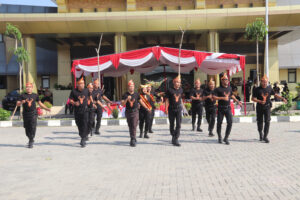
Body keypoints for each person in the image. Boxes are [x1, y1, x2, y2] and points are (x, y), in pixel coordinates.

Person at [252, 75, 287, 143]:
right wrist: (260, 101)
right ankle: (260, 133)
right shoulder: (257, 89)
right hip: (259, 107)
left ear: (267, 82)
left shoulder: (269, 88)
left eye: (266, 82)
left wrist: (282, 98)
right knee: (260, 121)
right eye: (263, 82)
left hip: (267, 107)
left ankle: (265, 136)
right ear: (261, 82)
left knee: (267, 121)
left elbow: (275, 94)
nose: (264, 83)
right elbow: (253, 98)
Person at [16, 82, 51, 148]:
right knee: (27, 128)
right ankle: (30, 138)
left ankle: (31, 140)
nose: (28, 88)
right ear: (25, 88)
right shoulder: (22, 95)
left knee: (33, 126)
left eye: (29, 87)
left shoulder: (35, 95)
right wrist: (21, 102)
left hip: (33, 113)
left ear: (32, 88)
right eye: (27, 87)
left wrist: (46, 108)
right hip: (25, 114)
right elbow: (17, 104)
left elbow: (40, 103)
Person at [213, 73, 243, 145]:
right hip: (220, 108)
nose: (226, 81)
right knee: (219, 123)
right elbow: (214, 97)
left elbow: (231, 95)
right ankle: (219, 137)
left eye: (227, 79)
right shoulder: (218, 89)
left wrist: (238, 101)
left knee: (230, 122)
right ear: (221, 80)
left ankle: (226, 137)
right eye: (224, 79)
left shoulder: (229, 88)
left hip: (228, 108)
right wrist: (223, 98)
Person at [121, 80, 143, 147]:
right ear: (128, 87)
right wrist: (127, 99)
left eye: (132, 86)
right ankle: (133, 137)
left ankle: (132, 139)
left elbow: (141, 101)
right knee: (130, 126)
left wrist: (147, 107)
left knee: (134, 125)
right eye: (130, 86)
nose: (131, 88)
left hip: (135, 111)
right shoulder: (125, 94)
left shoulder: (136, 94)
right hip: (128, 112)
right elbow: (122, 104)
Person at [69, 77, 89, 147]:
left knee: (84, 123)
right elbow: (70, 100)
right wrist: (74, 103)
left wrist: (90, 102)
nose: (83, 85)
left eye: (83, 83)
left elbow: (89, 97)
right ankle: (82, 135)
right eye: (81, 84)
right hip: (77, 111)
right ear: (78, 85)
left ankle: (83, 139)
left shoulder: (86, 90)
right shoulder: (73, 91)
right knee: (79, 124)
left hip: (85, 110)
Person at [165, 75, 184, 147]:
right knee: (172, 124)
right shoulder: (169, 90)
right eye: (176, 82)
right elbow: (166, 100)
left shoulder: (181, 90)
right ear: (173, 82)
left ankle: (176, 138)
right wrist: (166, 109)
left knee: (179, 124)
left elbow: (181, 99)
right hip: (171, 109)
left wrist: (183, 107)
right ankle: (173, 135)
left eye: (179, 82)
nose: (178, 83)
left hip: (179, 109)